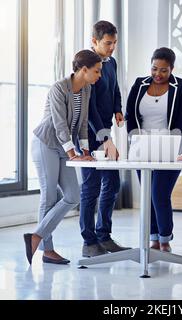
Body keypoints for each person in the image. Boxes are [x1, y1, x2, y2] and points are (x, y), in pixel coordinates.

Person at [23, 50, 102, 265]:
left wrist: (85, 151)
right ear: (83, 70)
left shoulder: (86, 90)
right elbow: (59, 123)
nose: (99, 76)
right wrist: (72, 153)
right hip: (46, 143)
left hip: (63, 146)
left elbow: (83, 123)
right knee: (49, 197)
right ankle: (47, 250)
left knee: (72, 196)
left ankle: (36, 236)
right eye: (96, 71)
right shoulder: (59, 88)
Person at [125, 47, 182, 252]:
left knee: (159, 193)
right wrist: (133, 140)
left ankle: (165, 239)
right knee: (147, 193)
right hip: (141, 147)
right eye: (154, 69)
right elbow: (130, 114)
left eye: (164, 70)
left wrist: (178, 149)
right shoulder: (139, 84)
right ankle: (153, 239)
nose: (158, 74)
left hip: (170, 147)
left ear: (172, 69)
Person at [79, 20, 130, 257]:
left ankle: (104, 236)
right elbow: (88, 109)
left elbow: (115, 89)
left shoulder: (111, 63)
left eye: (114, 43)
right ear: (94, 42)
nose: (112, 48)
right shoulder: (88, 66)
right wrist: (105, 138)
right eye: (107, 43)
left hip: (105, 131)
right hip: (89, 135)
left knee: (112, 183)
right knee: (91, 188)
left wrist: (118, 108)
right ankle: (89, 242)